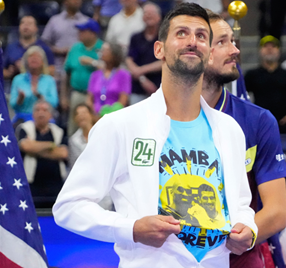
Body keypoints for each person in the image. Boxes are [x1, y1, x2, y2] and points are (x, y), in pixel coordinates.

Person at [53, 4, 257, 267]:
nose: (192, 41)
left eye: (201, 36)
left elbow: (241, 204)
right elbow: (69, 206)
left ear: (208, 54)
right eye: (182, 33)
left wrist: (248, 230)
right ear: (159, 49)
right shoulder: (120, 125)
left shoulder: (230, 130)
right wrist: (132, 228)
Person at [201, 11, 286, 268]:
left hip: (240, 258)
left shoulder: (258, 120)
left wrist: (243, 237)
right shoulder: (157, 119)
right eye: (223, 42)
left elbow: (276, 211)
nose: (235, 50)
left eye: (233, 40)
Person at [17, 100, 68, 208]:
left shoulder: (59, 131)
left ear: (50, 115)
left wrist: (35, 149)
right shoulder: (25, 128)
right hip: (32, 185)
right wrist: (51, 145)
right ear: (33, 114)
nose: (41, 113)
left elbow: (63, 153)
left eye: (44, 110)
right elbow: (26, 146)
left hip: (55, 185)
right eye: (37, 110)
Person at [245, 35, 286, 134]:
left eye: (273, 46)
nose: (269, 49)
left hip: (283, 124)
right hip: (259, 123)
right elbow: (242, 98)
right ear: (260, 51)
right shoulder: (251, 75)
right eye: (265, 46)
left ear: (279, 51)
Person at [62, 18, 103, 136]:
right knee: (74, 126)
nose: (79, 34)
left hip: (97, 96)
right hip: (77, 93)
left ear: (92, 33)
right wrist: (64, 96)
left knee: (95, 126)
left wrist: (93, 63)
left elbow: (109, 70)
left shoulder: (102, 48)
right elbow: (66, 73)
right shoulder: (75, 48)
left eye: (83, 31)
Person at [41, 0, 89, 85]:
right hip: (58, 67)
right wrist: (58, 50)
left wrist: (75, 51)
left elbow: (91, 45)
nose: (77, 1)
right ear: (65, 2)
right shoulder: (54, 21)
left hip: (80, 68)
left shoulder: (86, 21)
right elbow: (44, 44)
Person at [9, 46, 59, 127]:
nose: (34, 59)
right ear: (26, 61)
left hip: (44, 119)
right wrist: (20, 99)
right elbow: (12, 104)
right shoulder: (18, 79)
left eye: (37, 57)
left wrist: (40, 96)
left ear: (43, 62)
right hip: (22, 119)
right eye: (31, 57)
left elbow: (54, 103)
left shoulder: (49, 80)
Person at [126, 1, 163, 105]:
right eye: (146, 13)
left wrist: (141, 70)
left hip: (159, 88)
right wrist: (142, 78)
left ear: (159, 17)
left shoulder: (164, 38)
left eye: (152, 13)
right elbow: (129, 59)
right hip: (137, 88)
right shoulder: (136, 37)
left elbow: (165, 61)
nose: (148, 15)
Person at [3, 16, 55, 82]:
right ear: (19, 27)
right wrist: (9, 72)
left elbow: (52, 70)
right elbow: (3, 70)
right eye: (23, 23)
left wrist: (32, 67)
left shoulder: (44, 47)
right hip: (13, 84)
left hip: (38, 85)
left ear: (36, 28)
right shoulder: (11, 47)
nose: (26, 26)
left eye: (29, 24)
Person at [87, 42, 131, 115]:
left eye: (106, 50)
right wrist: (95, 115)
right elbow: (89, 99)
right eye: (102, 50)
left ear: (114, 54)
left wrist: (109, 114)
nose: (102, 53)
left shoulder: (124, 75)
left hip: (115, 115)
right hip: (95, 116)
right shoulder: (95, 75)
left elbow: (123, 100)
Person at [68, 103, 95, 167]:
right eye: (78, 114)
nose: (81, 116)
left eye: (84, 112)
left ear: (91, 115)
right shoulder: (73, 140)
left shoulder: (101, 133)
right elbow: (74, 164)